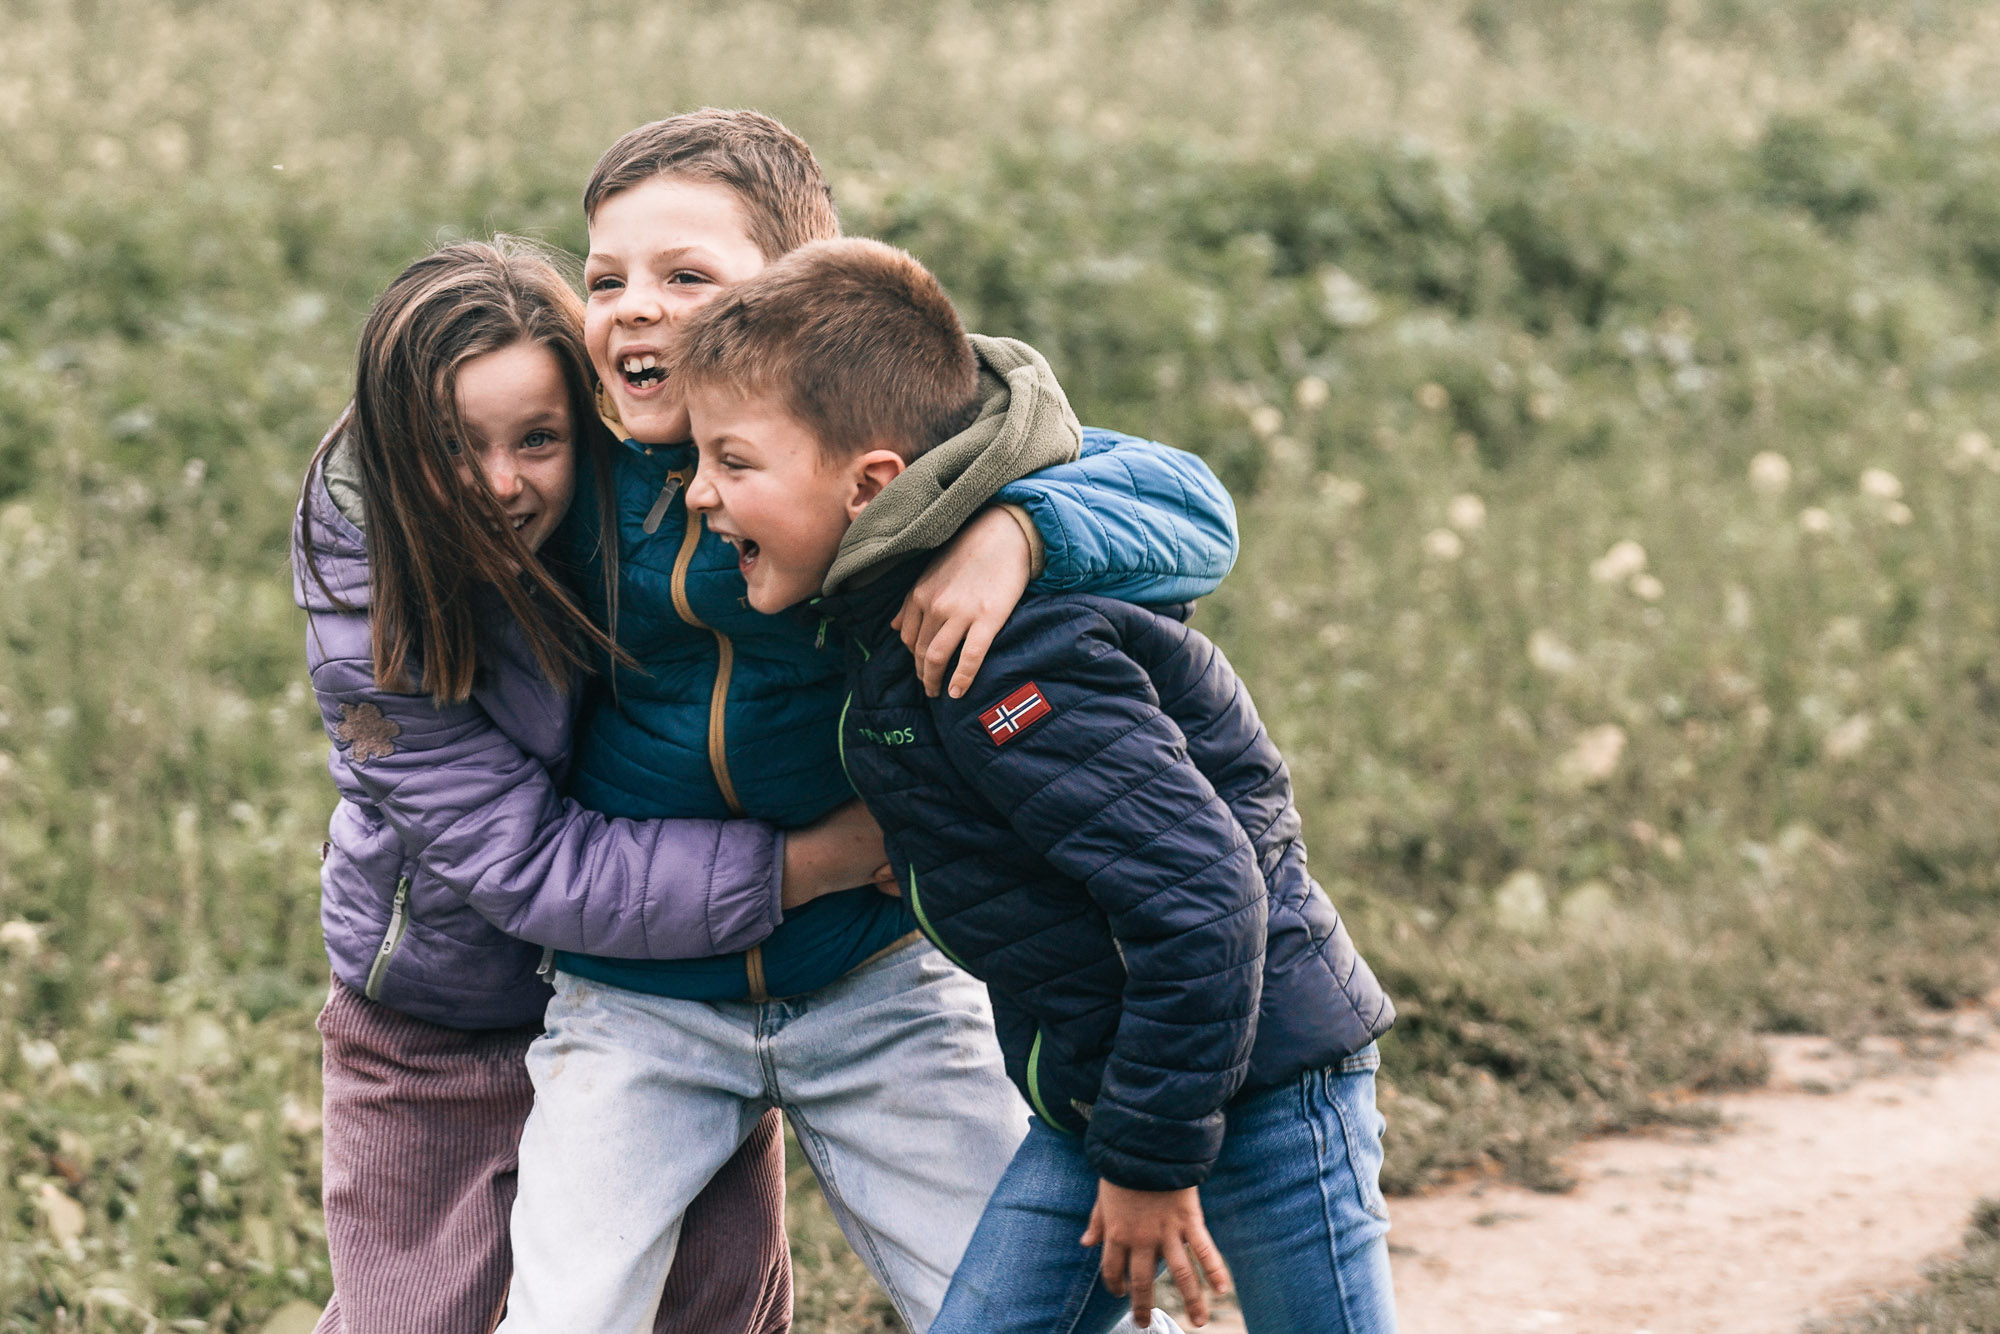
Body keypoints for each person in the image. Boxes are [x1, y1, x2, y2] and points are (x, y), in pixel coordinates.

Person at [494, 110, 1237, 1334]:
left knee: (1044, 1307)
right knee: (565, 1313)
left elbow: (1192, 507)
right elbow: (425, 476)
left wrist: (1021, 529)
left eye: (686, 276)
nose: (634, 306)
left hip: (877, 966)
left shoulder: (872, 430)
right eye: (606, 277)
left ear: (791, 295)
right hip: (637, 997)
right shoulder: (574, 454)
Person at [674, 236, 1400, 1334]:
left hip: (1264, 1076)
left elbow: (1203, 897)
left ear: (871, 485)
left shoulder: (1003, 652)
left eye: (731, 463)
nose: (697, 494)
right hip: (1105, 1093)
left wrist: (1150, 1162)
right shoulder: (894, 608)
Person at [292, 236, 806, 1334]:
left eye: (539, 439)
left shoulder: (665, 504)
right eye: (452, 445)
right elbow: (522, 862)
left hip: (664, 994)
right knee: (419, 1315)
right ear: (391, 449)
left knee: (707, 1301)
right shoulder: (369, 612)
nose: (497, 483)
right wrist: (804, 866)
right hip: (440, 1023)